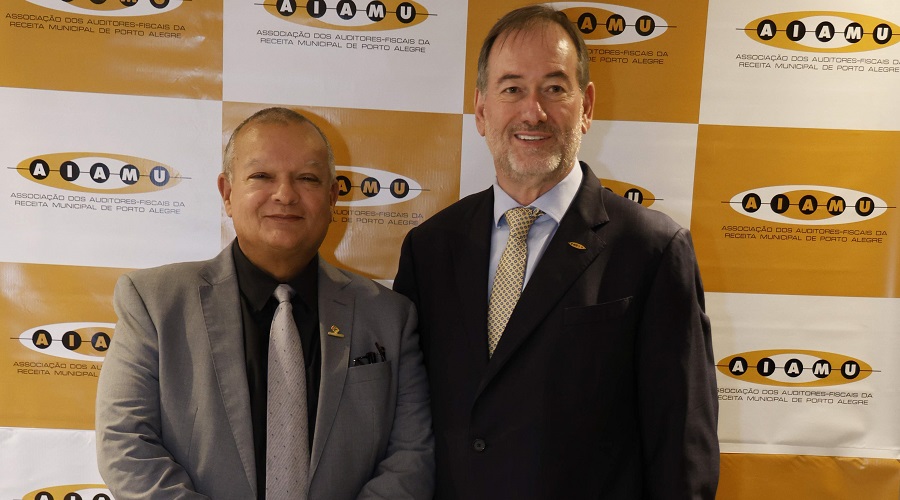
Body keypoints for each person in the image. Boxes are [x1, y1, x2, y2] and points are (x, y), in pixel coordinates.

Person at [393, 5, 718, 499]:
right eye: (512, 89)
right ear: (481, 110)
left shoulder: (652, 250)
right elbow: (405, 425)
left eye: (554, 88)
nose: (533, 112)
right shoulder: (430, 248)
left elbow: (682, 453)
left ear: (586, 106)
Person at [96, 107, 434, 499]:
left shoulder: (390, 317)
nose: (285, 195)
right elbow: (126, 444)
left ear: (332, 197)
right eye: (261, 176)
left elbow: (411, 458)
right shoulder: (154, 303)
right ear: (227, 193)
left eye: (307, 178)